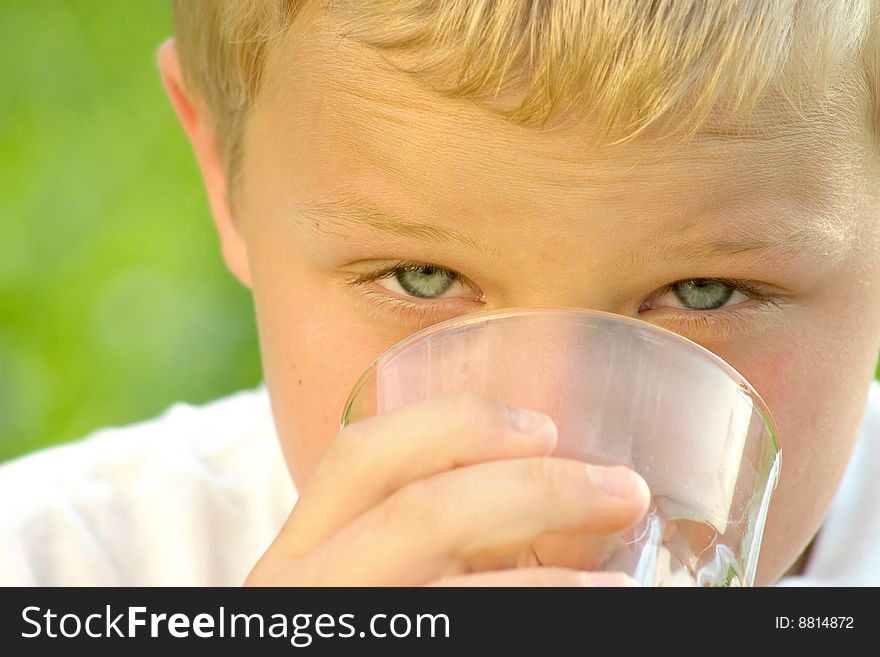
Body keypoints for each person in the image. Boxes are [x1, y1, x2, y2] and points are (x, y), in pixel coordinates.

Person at [2, 0, 879, 586]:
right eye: (424, 279)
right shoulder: (56, 565)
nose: (565, 480)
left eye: (706, 290)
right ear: (224, 176)